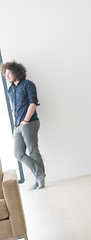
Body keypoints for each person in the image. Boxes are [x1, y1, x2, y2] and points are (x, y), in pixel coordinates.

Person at [1, 61, 46, 190]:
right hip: (18, 125)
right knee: (18, 153)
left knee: (33, 151)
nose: (7, 76)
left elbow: (33, 103)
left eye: (9, 73)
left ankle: (39, 179)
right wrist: (16, 124)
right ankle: (40, 174)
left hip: (29, 122)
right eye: (6, 74)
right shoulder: (11, 90)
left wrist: (26, 120)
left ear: (17, 72)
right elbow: (15, 109)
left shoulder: (28, 84)